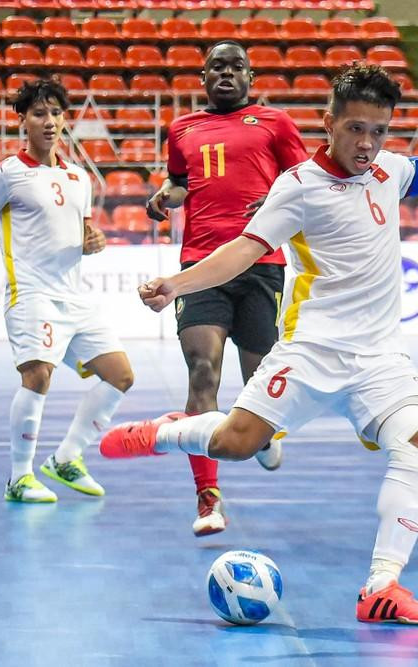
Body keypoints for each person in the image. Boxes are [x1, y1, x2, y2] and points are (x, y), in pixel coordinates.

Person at [98, 36, 418, 624]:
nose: (367, 144)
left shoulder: (389, 171)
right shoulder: (298, 187)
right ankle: (165, 432)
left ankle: (381, 587)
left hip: (380, 360)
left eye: (379, 131)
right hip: (310, 353)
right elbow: (244, 251)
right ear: (328, 124)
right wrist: (177, 285)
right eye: (355, 129)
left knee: (417, 445)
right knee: (235, 444)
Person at [146, 41, 309, 537]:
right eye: (217, 66)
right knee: (202, 371)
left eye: (237, 67)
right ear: (203, 77)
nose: (226, 73)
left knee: (258, 376)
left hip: (261, 262)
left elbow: (305, 180)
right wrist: (166, 195)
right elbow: (180, 182)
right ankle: (208, 498)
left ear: (250, 77)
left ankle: (261, 435)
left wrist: (275, 199)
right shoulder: (182, 129)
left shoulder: (276, 123)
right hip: (200, 265)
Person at [0, 78, 134, 503]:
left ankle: (66, 458)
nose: (50, 121)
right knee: (37, 375)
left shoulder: (78, 176)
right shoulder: (6, 174)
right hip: (31, 294)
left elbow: (85, 231)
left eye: (56, 113)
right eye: (39, 113)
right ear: (23, 120)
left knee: (120, 375)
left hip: (75, 297)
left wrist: (94, 239)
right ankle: (19, 478)